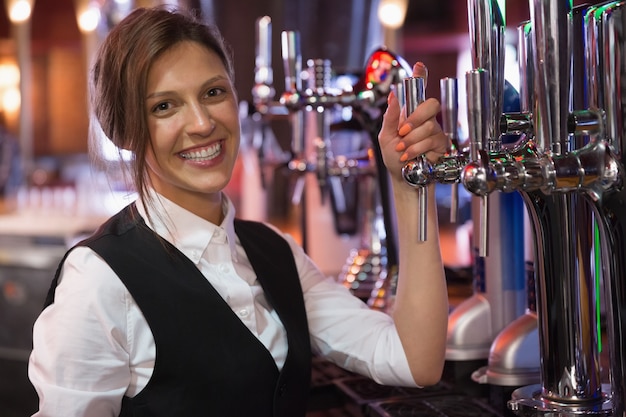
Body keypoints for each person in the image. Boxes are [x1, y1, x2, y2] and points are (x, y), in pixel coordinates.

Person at [27, 6, 450, 417]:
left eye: (213, 93)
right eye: (164, 106)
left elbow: (414, 359)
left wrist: (410, 185)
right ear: (126, 131)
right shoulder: (98, 280)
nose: (202, 123)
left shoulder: (274, 251)